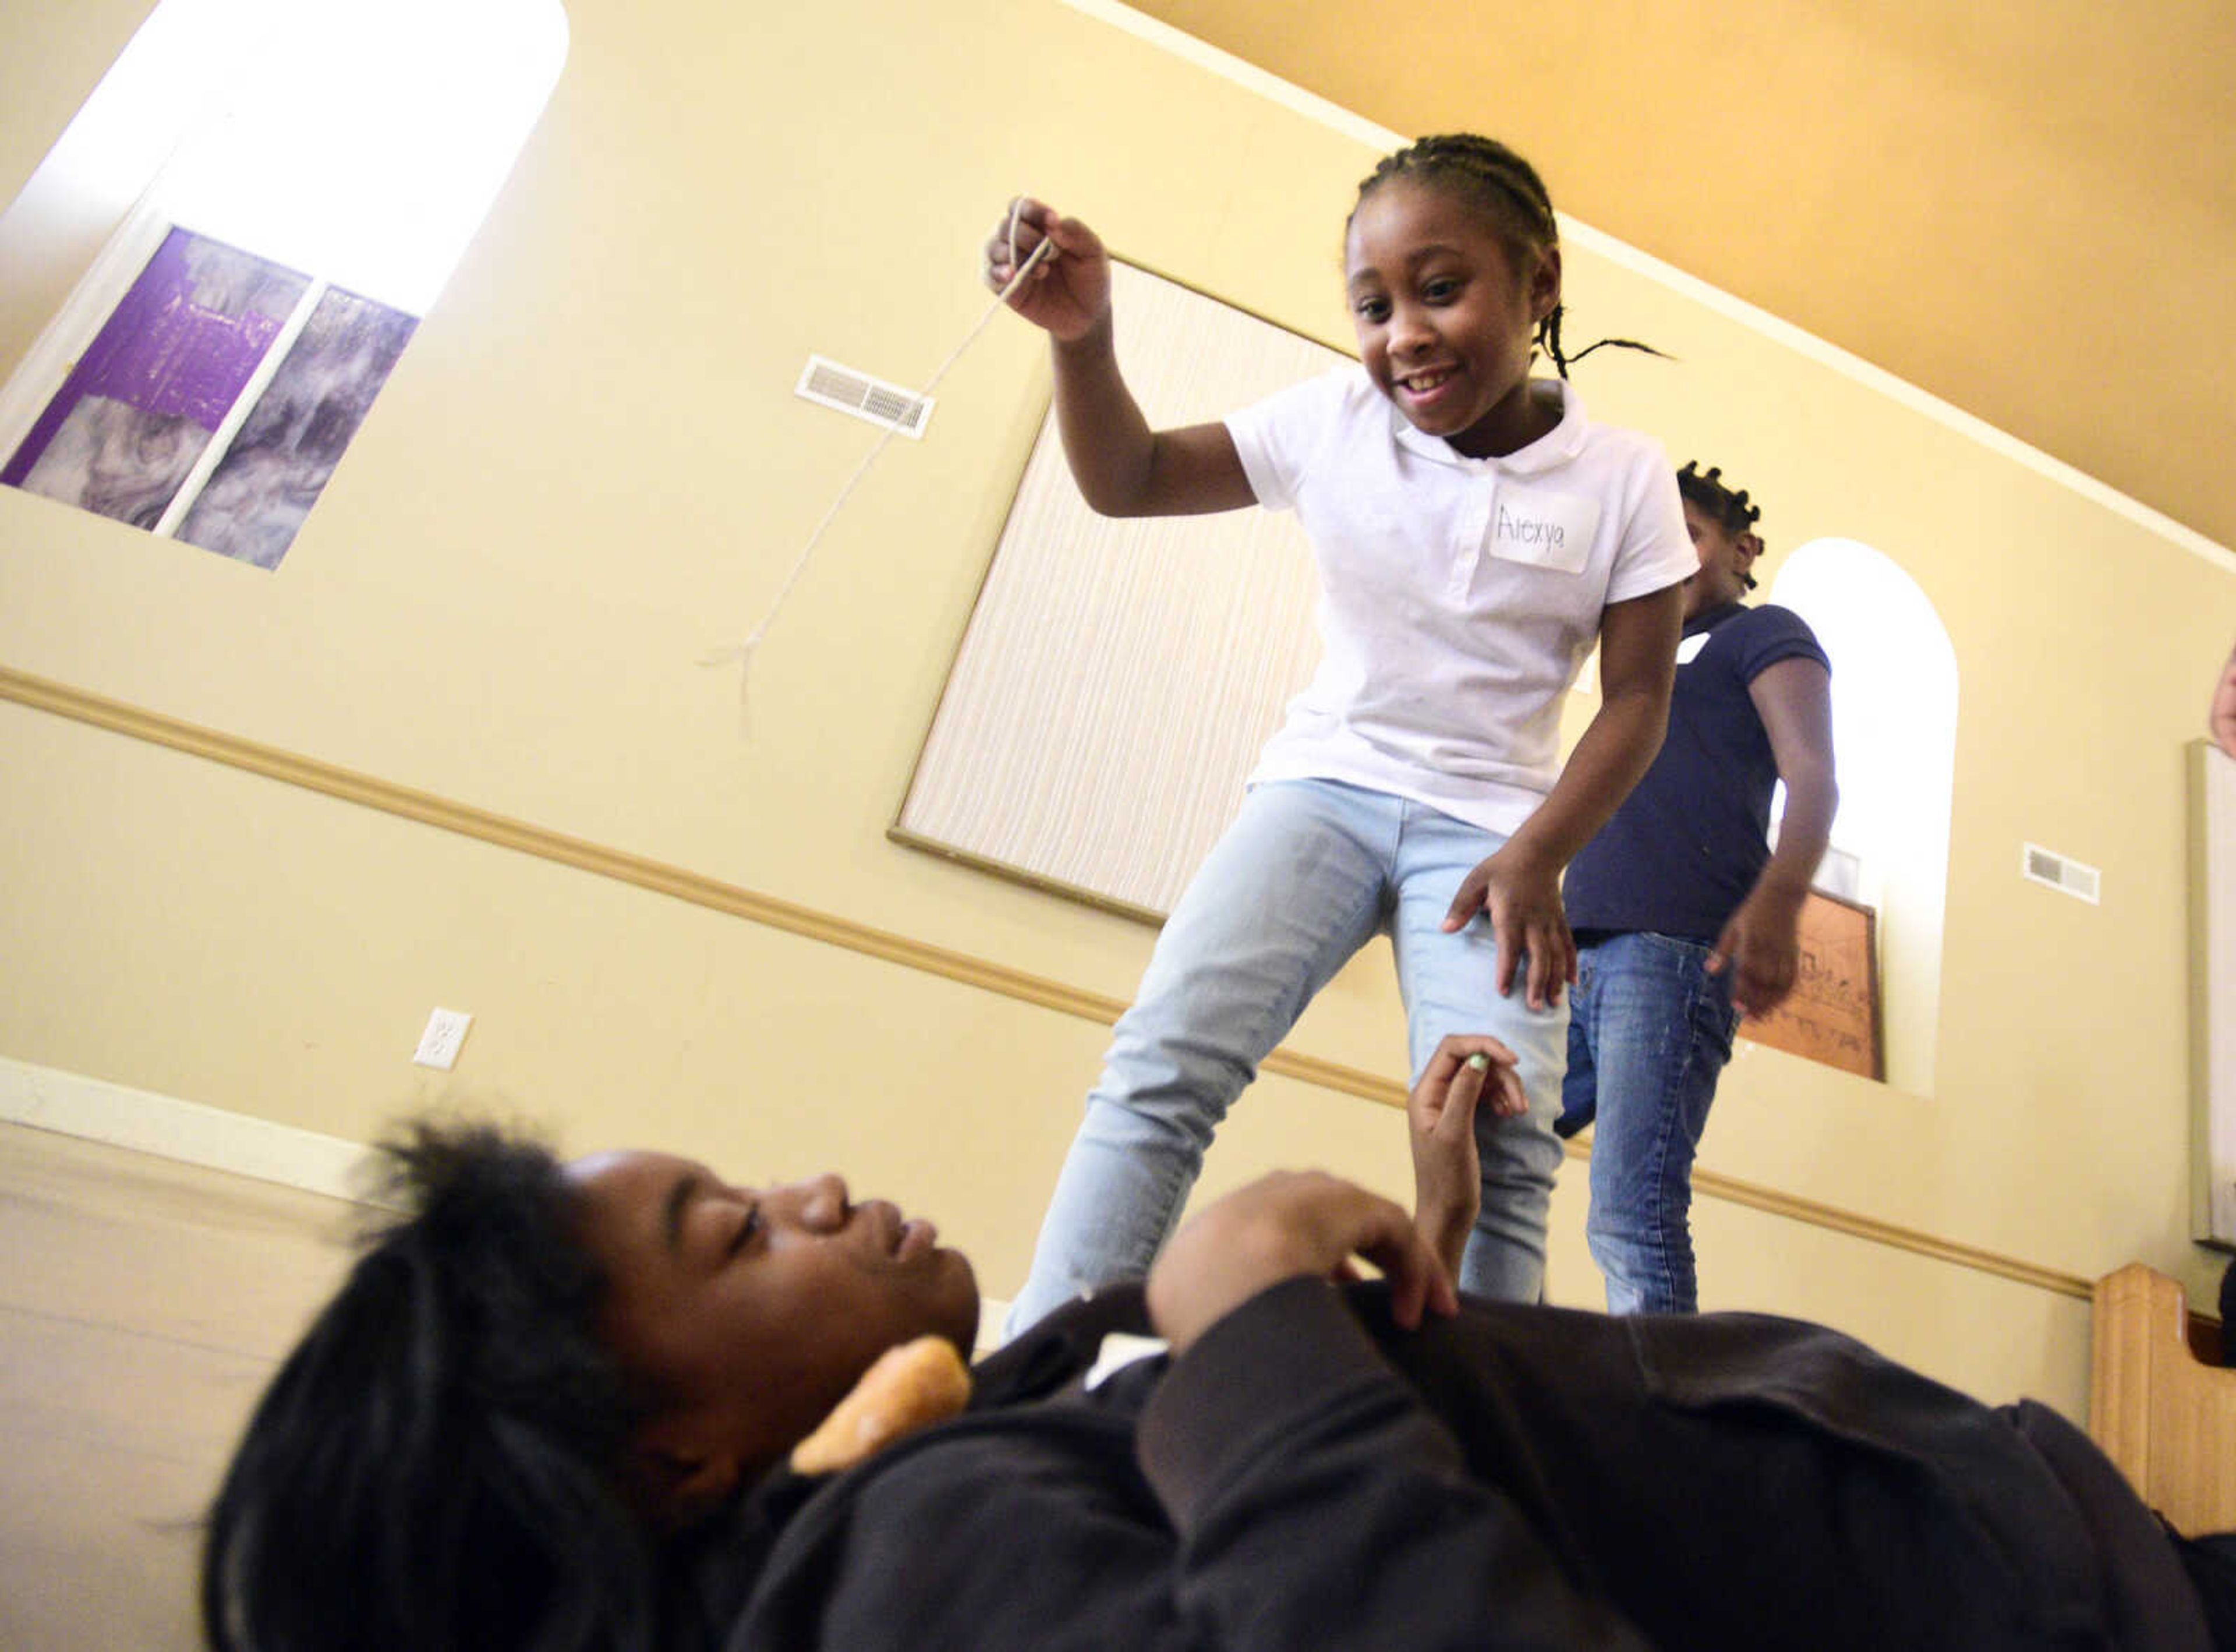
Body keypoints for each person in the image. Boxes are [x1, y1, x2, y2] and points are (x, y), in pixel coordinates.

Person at [203, 1038, 2232, 1651]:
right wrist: (1251, 1316)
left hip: (2033, 1542)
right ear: (661, 1460)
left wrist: (1421, 1232)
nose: (812, 1185)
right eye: (734, 1232)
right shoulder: (908, 1583)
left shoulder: (965, 1455)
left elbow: (1340, 1522)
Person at [984, 133, 1696, 1329]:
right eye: (1372, 305)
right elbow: (1132, 476)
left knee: (1504, 1132)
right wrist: (1082, 337)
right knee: (1165, 1064)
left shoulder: (1624, 479)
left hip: (1493, 842)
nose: (1402, 332)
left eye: (1440, 288)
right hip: (1323, 787)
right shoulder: (1332, 422)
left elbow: (1637, 703)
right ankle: (1047, 1365)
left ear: (1541, 283)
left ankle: (1483, 1426)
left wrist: (1538, 855)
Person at [1555, 462, 1838, 1313]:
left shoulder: (1762, 635)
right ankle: (1497, 1373)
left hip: (1671, 952)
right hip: (1578, 948)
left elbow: (1814, 777)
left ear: (1742, 549)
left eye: (1688, 534)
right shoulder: (1639, 662)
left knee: (1631, 1212)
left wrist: (1780, 901)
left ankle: (1665, 1427)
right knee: (1495, 1153)